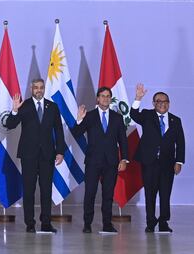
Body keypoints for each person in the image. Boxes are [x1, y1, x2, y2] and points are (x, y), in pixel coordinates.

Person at [4, 78, 65, 233]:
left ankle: (46, 223)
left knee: (46, 190)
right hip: (28, 155)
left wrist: (60, 151)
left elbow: (58, 130)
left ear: (44, 89)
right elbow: (10, 124)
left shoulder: (52, 107)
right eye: (35, 87)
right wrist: (15, 110)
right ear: (31, 89)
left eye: (41, 87)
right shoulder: (24, 105)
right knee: (29, 190)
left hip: (47, 155)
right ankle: (29, 224)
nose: (38, 90)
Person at [71, 87, 128, 233]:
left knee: (108, 194)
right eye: (102, 96)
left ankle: (107, 224)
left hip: (111, 162)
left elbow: (123, 140)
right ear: (97, 98)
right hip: (92, 162)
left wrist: (124, 159)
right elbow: (76, 133)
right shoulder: (89, 116)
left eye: (108, 96)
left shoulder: (117, 117)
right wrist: (78, 119)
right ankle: (87, 224)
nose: (105, 99)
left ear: (110, 98)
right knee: (90, 193)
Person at [131, 83, 185, 233]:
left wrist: (179, 161)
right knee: (150, 193)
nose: (162, 104)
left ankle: (163, 222)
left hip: (168, 164)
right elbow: (133, 115)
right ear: (154, 103)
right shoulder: (147, 115)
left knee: (165, 193)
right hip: (149, 162)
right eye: (159, 101)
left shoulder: (176, 120)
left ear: (169, 104)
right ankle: (150, 222)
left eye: (165, 101)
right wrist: (138, 98)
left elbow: (180, 142)